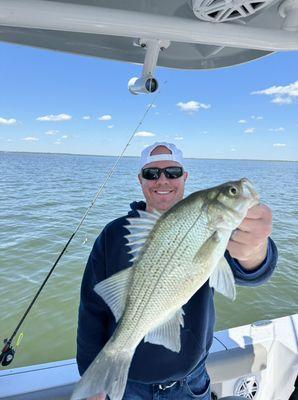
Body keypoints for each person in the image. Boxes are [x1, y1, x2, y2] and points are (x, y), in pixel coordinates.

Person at [76, 142, 277, 400]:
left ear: (184, 177)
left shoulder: (221, 229)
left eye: (172, 172)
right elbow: (91, 311)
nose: (162, 180)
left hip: (191, 384)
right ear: (140, 179)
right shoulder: (113, 235)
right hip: (128, 386)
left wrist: (256, 249)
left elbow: (253, 271)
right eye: (151, 173)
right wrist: (91, 378)